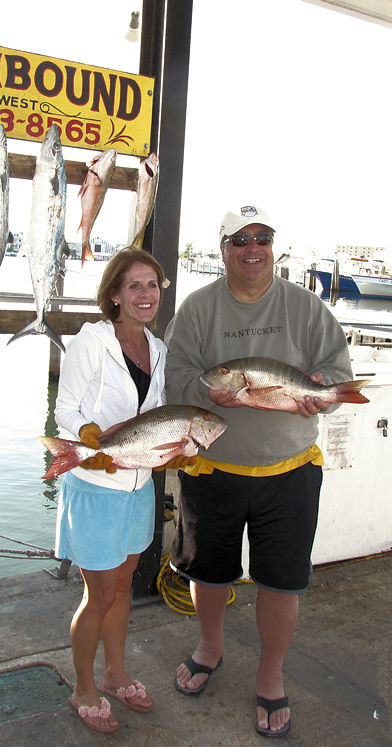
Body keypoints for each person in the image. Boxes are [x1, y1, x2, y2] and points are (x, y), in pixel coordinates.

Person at [164, 205, 353, 738]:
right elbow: (174, 378)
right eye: (240, 238)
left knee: (281, 582)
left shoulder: (306, 307)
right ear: (222, 247)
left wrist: (323, 394)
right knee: (209, 572)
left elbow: (338, 375)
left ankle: (270, 676)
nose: (253, 248)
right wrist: (206, 391)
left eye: (262, 237)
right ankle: (210, 647)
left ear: (274, 245)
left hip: (289, 472)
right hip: (211, 468)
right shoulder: (198, 310)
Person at [54, 246, 190, 735]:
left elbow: (157, 420)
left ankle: (116, 673)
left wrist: (175, 450)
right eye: (135, 286)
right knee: (99, 593)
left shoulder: (159, 349)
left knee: (125, 584)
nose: (146, 294)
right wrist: (88, 433)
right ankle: (83, 687)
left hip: (138, 487)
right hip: (95, 486)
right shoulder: (91, 341)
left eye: (153, 285)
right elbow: (64, 410)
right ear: (114, 294)